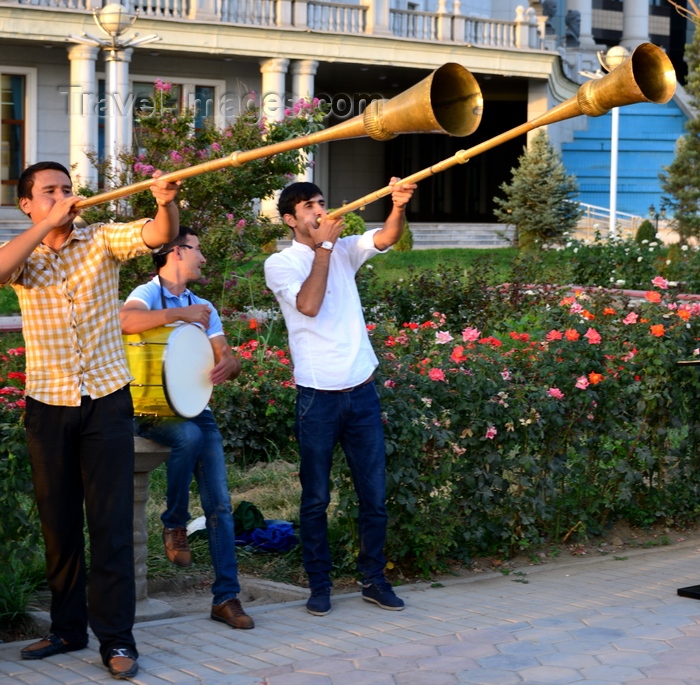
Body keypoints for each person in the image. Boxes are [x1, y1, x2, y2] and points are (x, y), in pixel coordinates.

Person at [3, 161, 180, 679]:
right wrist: (45, 224)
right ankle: (66, 629)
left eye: (67, 188)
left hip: (106, 399)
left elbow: (155, 234)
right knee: (58, 525)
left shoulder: (101, 237)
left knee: (110, 525)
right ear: (27, 204)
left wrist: (165, 202)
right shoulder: (25, 255)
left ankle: (118, 640)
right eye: (49, 191)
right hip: (48, 405)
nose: (63, 196)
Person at [264, 178, 415, 617]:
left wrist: (398, 205)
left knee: (374, 496)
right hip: (318, 397)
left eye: (321, 203)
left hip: (361, 390)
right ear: (291, 220)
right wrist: (324, 251)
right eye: (309, 207)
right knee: (315, 498)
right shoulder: (282, 264)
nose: (319, 211)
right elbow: (308, 306)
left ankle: (374, 579)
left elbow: (387, 236)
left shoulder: (345, 247)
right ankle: (320, 585)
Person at [120, 226, 254, 631]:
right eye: (198, 250)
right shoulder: (145, 293)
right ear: (176, 252)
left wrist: (231, 364)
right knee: (191, 438)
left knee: (221, 505)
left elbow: (223, 354)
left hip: (196, 409)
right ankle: (174, 521)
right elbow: (126, 322)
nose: (203, 258)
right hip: (150, 409)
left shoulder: (205, 305)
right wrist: (179, 314)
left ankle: (226, 598)